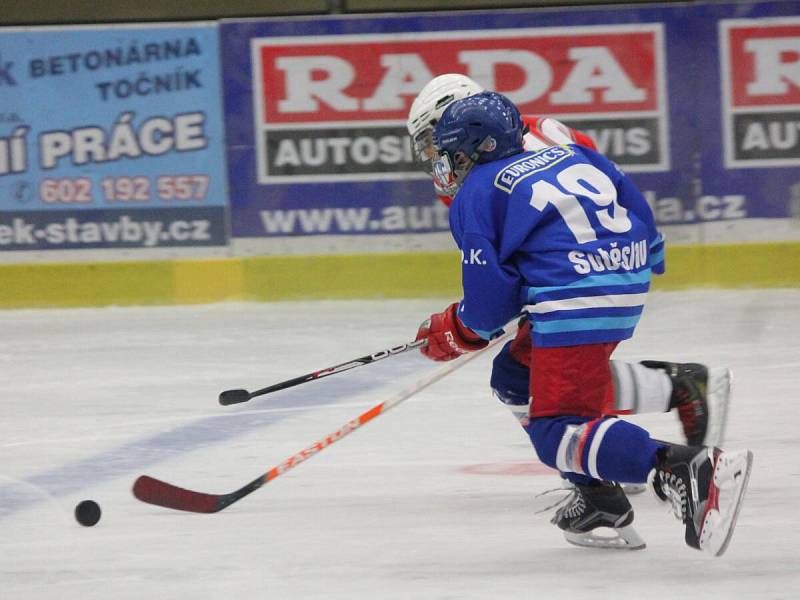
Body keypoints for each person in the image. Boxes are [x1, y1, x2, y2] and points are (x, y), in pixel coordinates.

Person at [413, 90, 753, 554]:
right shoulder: (570, 154)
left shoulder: (475, 192)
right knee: (515, 374)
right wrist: (647, 253)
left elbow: (489, 310)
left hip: (575, 296)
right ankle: (600, 497)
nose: (444, 163)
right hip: (622, 279)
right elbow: (633, 202)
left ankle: (680, 467)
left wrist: (455, 331)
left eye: (450, 153)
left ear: (479, 147)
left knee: (555, 431)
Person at [407, 74, 731, 450]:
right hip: (590, 264)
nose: (433, 155)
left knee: (533, 379)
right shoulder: (503, 143)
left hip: (581, 272)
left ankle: (608, 460)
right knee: (533, 373)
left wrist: (474, 321)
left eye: (433, 141)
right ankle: (640, 423)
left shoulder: (502, 156)